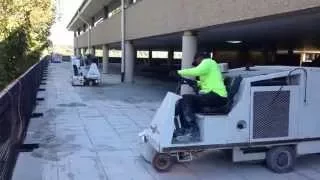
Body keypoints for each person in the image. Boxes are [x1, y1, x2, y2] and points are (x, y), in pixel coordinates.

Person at [174, 51, 228, 142]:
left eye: (196, 61)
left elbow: (197, 71)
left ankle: (194, 132)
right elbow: (204, 83)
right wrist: (190, 82)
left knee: (186, 98)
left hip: (218, 96)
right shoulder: (209, 68)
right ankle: (185, 130)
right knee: (181, 101)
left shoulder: (209, 62)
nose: (196, 63)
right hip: (211, 96)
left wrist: (179, 72)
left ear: (200, 57)